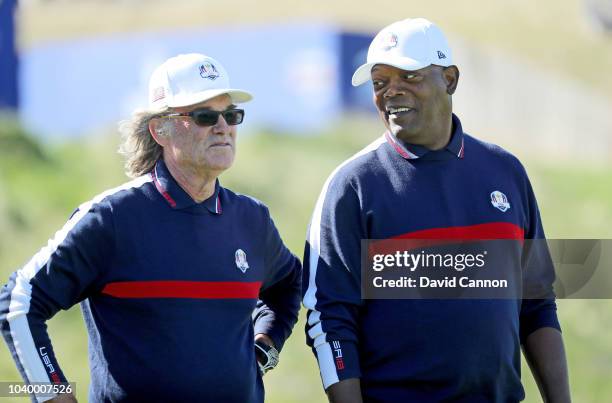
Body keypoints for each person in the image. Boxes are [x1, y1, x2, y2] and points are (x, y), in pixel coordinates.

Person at [0, 53, 301, 403]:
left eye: (231, 114)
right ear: (160, 130)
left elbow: (289, 284)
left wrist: (265, 344)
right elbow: (18, 302)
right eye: (204, 115)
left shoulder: (253, 219)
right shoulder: (111, 218)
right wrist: (53, 395)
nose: (223, 126)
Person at [303, 18, 571, 403]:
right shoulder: (352, 186)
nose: (392, 92)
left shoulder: (505, 171)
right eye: (380, 83)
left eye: (409, 76)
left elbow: (537, 301)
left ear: (450, 79)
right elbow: (329, 319)